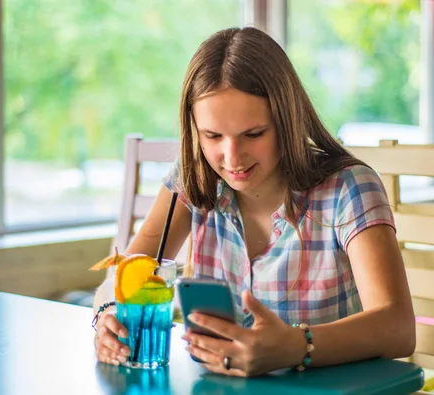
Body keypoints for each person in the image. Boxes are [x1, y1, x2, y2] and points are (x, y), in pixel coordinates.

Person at [92, 26, 416, 376]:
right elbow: (127, 274)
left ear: (287, 121)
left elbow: (398, 329)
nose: (232, 158)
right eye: (212, 135)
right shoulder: (193, 178)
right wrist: (107, 314)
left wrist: (295, 346)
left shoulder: (348, 188)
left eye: (254, 134)